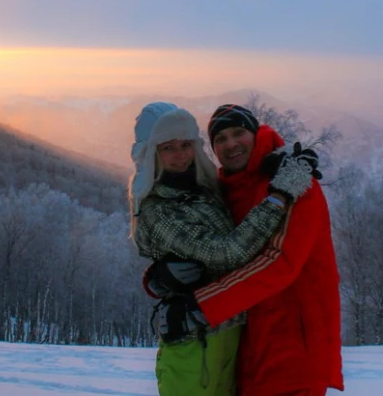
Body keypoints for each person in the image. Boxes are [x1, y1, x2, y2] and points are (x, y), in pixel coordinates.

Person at [128, 102, 314, 396]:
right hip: (192, 341)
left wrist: (268, 165)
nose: (180, 155)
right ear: (152, 153)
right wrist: (280, 194)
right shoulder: (158, 208)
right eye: (168, 147)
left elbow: (241, 187)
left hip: (230, 335)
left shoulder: (202, 187)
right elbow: (228, 253)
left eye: (186, 144)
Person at [186, 104, 344, 396]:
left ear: (255, 134)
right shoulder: (225, 192)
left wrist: (202, 305)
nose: (230, 143)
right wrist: (162, 274)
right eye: (220, 139)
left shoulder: (295, 182)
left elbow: (280, 262)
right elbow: (204, 245)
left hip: (294, 352)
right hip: (246, 351)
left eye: (238, 133)